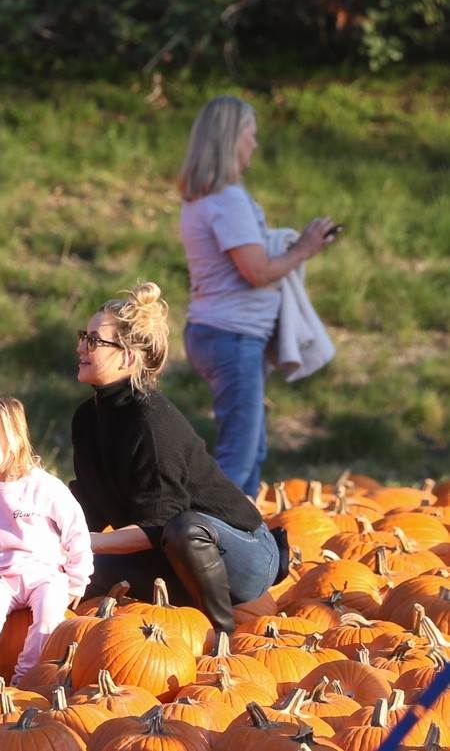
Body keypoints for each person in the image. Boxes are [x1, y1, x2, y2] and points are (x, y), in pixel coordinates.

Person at [69, 281, 280, 637]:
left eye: (94, 340)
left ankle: (220, 634)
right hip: (166, 553)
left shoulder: (152, 422)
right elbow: (89, 502)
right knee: (76, 570)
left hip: (240, 552)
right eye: (83, 336)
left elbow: (161, 522)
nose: (80, 347)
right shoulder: (87, 419)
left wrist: (87, 542)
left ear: (129, 356)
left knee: (185, 529)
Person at [177, 95, 337, 497]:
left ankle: (241, 544)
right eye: (252, 134)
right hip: (232, 337)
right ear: (232, 139)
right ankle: (208, 545)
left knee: (253, 447)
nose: (256, 144)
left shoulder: (202, 198)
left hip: (218, 331)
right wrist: (305, 249)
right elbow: (257, 271)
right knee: (239, 457)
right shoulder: (227, 200)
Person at [0, 396, 92, 682]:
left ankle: (27, 677)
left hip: (44, 574)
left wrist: (77, 580)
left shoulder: (43, 486)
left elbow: (76, 530)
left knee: (50, 617)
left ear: (12, 440)